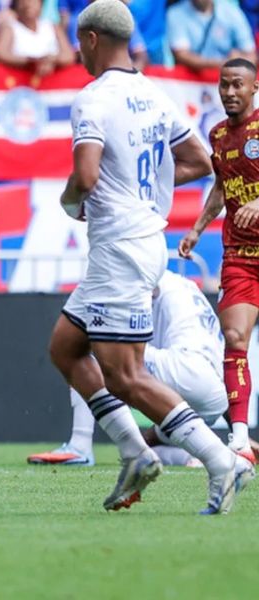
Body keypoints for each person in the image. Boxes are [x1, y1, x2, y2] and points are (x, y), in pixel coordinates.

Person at [50, 0, 253, 515]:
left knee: (127, 375)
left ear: (92, 39)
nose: (79, 51)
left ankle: (221, 460)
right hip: (139, 243)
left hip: (120, 247)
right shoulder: (154, 95)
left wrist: (71, 199)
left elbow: (88, 176)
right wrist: (147, 190)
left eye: (80, 42)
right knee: (66, 348)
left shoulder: (92, 99)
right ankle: (135, 452)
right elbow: (198, 161)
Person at [30, 271, 230, 467]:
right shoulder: (184, 285)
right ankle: (214, 457)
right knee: (156, 441)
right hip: (215, 397)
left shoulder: (145, 275)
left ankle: (80, 446)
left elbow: (145, 288)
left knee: (88, 347)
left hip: (184, 368)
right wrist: (239, 434)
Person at [179, 58, 259, 464]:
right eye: (224, 85)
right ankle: (241, 439)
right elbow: (222, 186)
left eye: (237, 85)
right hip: (241, 258)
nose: (229, 92)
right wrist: (197, 228)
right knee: (235, 340)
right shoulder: (217, 136)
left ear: (254, 87)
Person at [0, 0, 75, 78]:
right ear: (16, 5)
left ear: (41, 4)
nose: (28, 4)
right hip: (21, 83)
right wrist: (29, 62)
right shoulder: (11, 28)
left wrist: (51, 60)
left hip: (51, 84)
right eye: (23, 1)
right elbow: (0, 53)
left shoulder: (52, 27)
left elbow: (69, 56)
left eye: (33, 1)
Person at [167, 0, 255, 72]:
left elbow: (251, 54)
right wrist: (225, 63)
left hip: (228, 80)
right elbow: (182, 55)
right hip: (192, 84)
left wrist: (239, 59)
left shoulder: (231, 11)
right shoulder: (175, 13)